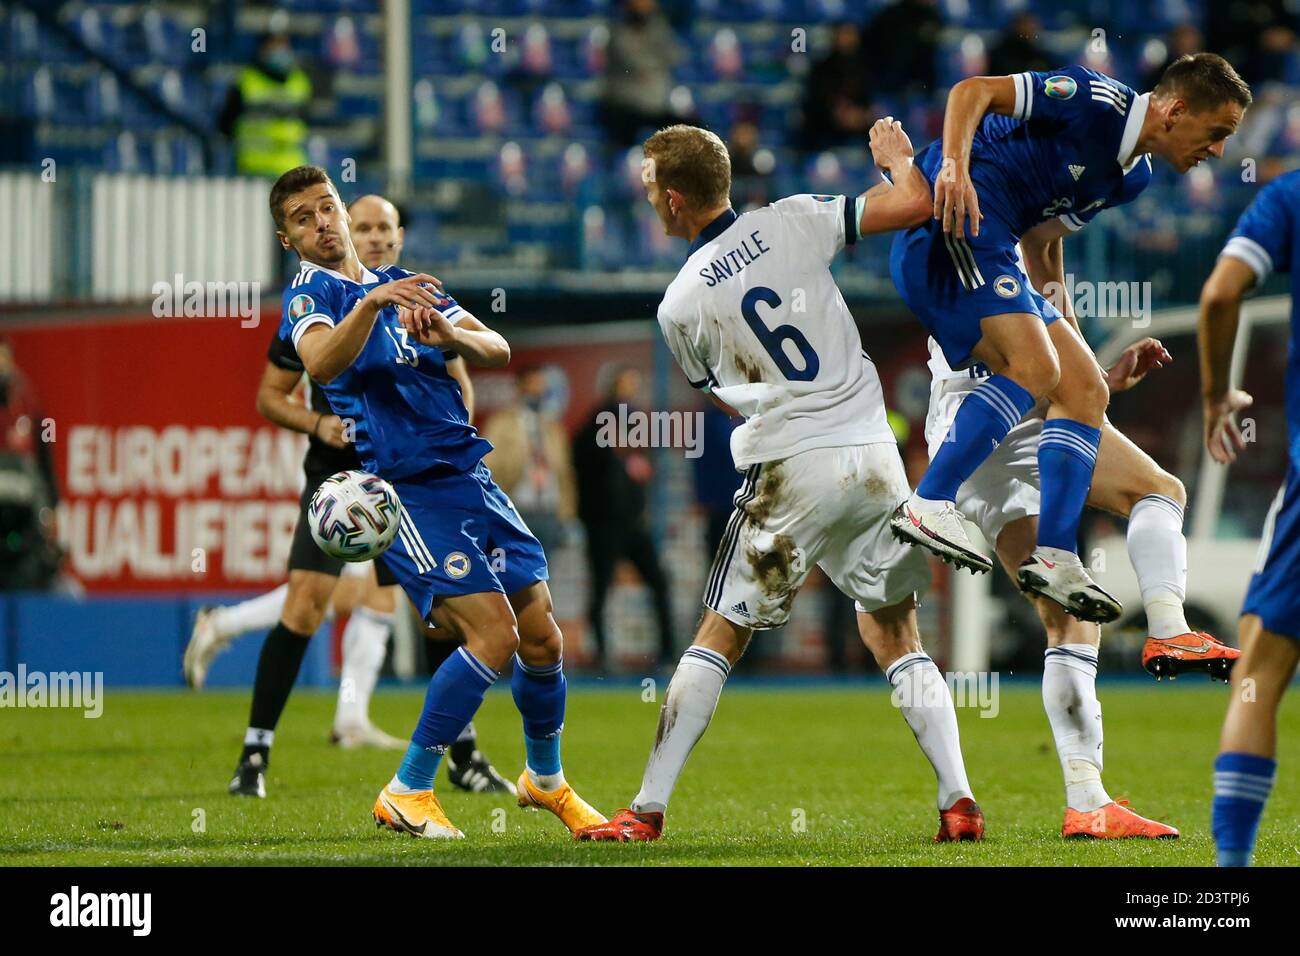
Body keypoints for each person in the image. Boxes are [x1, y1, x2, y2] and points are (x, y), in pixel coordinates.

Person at [576, 122, 984, 844]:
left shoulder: (678, 303)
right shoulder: (795, 217)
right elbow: (914, 204)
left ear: (673, 201)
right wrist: (896, 161)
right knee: (895, 629)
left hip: (793, 467)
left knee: (719, 633)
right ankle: (958, 798)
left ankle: (645, 811)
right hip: (873, 453)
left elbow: (720, 390)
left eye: (648, 189)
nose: (646, 201)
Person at [268, 165, 604, 839]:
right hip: (409, 488)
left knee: (541, 635)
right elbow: (322, 367)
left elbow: (498, 346)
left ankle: (545, 780)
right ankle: (408, 789)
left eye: (325, 208)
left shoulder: (416, 287)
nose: (321, 224)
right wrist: (369, 304)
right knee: (495, 635)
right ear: (288, 239)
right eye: (301, 219)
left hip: (471, 476)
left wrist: (452, 338)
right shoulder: (311, 294)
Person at [888, 54, 1252, 627]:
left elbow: (1043, 249)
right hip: (951, 224)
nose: (1220, 151)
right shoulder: (1093, 98)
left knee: (1083, 390)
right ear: (1176, 110)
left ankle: (1056, 555)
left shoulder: (1132, 175)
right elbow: (971, 90)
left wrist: (1085, 358)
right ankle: (928, 503)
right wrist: (953, 166)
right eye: (1217, 133)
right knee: (1036, 366)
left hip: (997, 245)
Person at [195, 192, 512, 797]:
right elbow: (275, 391)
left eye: (380, 228)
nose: (370, 237)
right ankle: (255, 753)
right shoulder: (314, 302)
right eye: (360, 226)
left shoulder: (411, 296)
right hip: (339, 476)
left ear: (395, 236)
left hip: (408, 474)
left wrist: (448, 451)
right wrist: (318, 424)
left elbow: (461, 376)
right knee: (307, 604)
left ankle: (455, 752)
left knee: (439, 614)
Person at [1201, 169, 1300, 866]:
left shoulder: (1289, 197)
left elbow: (1218, 292)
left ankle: (1231, 879)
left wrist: (1214, 395)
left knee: (1258, 664)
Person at [573, 366, 675, 668]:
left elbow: (642, 468)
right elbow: (584, 462)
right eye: (626, 385)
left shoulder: (636, 426)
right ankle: (601, 655)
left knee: (658, 581)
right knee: (601, 587)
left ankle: (669, 653)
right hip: (604, 522)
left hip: (632, 523)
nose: (631, 392)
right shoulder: (595, 424)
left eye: (635, 385)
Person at [481, 365, 577, 557]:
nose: (538, 391)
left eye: (541, 386)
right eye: (533, 385)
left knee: (546, 576)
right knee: (514, 574)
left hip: (548, 511)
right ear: (520, 387)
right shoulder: (501, 423)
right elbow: (487, 467)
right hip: (516, 509)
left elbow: (564, 471)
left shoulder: (551, 426)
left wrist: (567, 513)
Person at [218, 32, 312, 178]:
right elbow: (225, 125)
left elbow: (307, 122)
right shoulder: (246, 81)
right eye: (274, 45)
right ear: (262, 49)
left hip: (291, 170)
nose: (280, 51)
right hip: (252, 169)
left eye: (284, 45)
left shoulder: (299, 82)